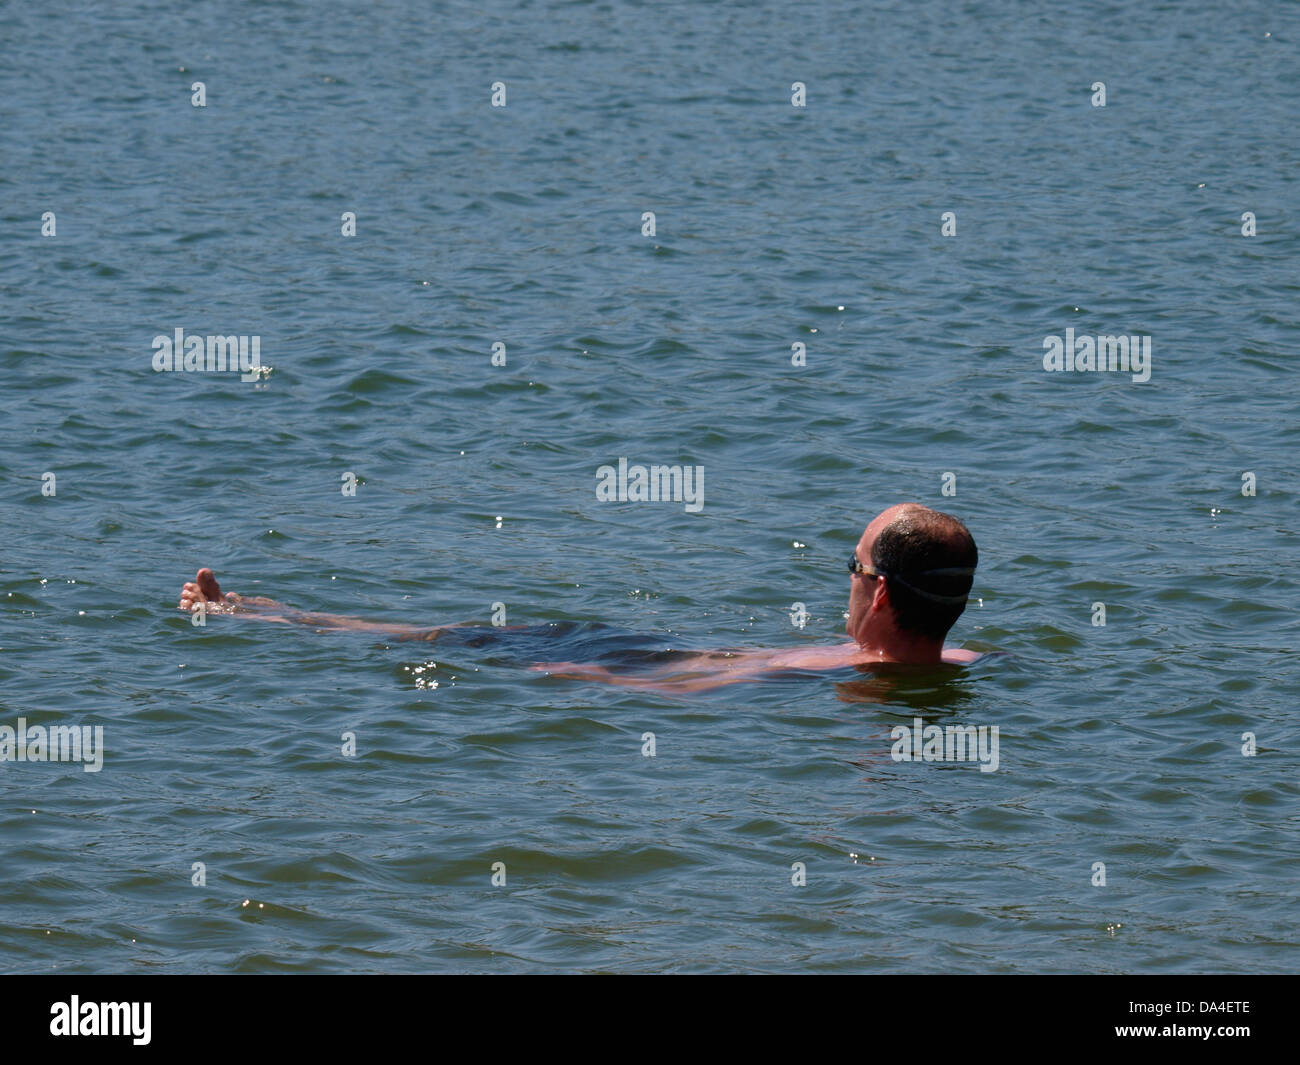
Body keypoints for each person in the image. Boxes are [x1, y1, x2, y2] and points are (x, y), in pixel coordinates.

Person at [177, 503, 981, 692]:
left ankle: (261, 613)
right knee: (450, 632)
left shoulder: (817, 670)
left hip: (630, 657)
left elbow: (697, 689)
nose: (838, 575)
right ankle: (262, 609)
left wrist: (585, 681)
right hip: (638, 643)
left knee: (440, 638)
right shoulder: (972, 657)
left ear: (876, 594)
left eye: (850, 563)